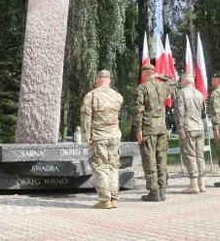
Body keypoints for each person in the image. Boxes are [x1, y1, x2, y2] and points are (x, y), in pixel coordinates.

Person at [133, 64, 177, 202]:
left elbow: (138, 110)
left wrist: (138, 129)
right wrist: (160, 76)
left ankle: (154, 191)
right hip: (161, 129)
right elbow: (173, 82)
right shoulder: (162, 86)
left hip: (148, 129)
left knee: (149, 159)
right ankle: (162, 190)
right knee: (161, 159)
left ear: (145, 73)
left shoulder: (142, 88)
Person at [80, 70, 123, 209]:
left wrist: (86, 135)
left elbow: (86, 117)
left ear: (97, 80)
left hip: (98, 137)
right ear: (109, 80)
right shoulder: (117, 96)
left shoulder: (91, 96)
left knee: (100, 166)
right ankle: (114, 198)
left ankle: (105, 200)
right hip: (114, 136)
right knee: (113, 166)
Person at [174, 73, 206, 193]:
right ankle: (201, 184)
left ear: (183, 81)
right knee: (200, 156)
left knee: (189, 155)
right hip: (199, 127)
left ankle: (193, 184)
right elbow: (202, 111)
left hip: (188, 128)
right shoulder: (199, 93)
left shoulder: (181, 93)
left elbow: (179, 113)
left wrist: (180, 129)